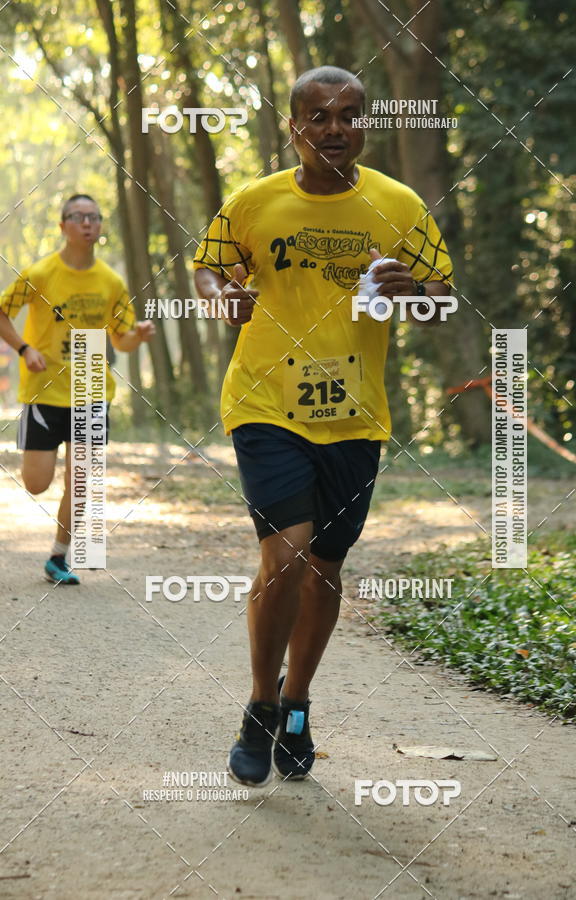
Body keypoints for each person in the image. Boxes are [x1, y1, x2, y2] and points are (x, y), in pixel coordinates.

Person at [193, 67, 453, 787]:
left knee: (325, 568)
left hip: (355, 415)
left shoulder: (399, 205)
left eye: (349, 115)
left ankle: (297, 701)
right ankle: (259, 705)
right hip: (265, 403)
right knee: (288, 555)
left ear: (364, 124)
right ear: (294, 127)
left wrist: (416, 292)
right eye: (319, 116)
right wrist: (221, 297)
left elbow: (441, 299)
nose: (334, 128)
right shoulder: (254, 202)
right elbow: (208, 268)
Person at [0, 193, 155, 585]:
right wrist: (24, 348)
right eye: (78, 216)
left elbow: (121, 340)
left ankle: (58, 556)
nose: (88, 223)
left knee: (81, 479)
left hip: (91, 388)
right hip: (44, 391)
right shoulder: (39, 274)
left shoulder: (111, 282)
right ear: (62, 226)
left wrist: (137, 335)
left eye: (94, 217)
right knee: (37, 484)